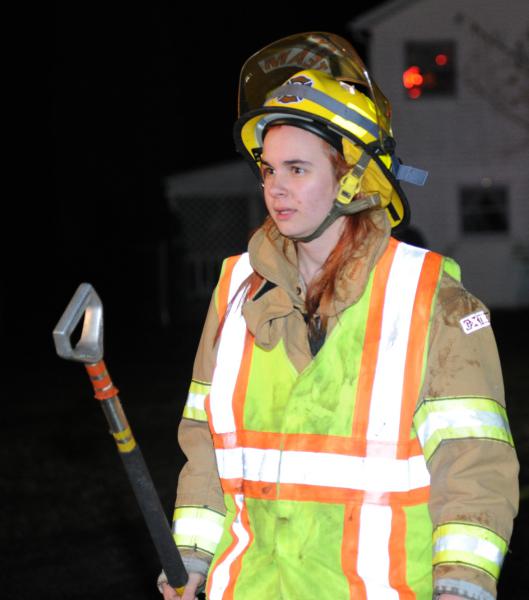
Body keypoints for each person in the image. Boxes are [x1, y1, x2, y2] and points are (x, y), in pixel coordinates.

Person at [158, 32, 518, 600]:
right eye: (268, 168)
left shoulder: (434, 301)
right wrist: (191, 556)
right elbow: (206, 444)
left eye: (297, 169)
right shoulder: (233, 291)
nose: (275, 187)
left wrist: (462, 582)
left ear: (353, 175)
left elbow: (472, 462)